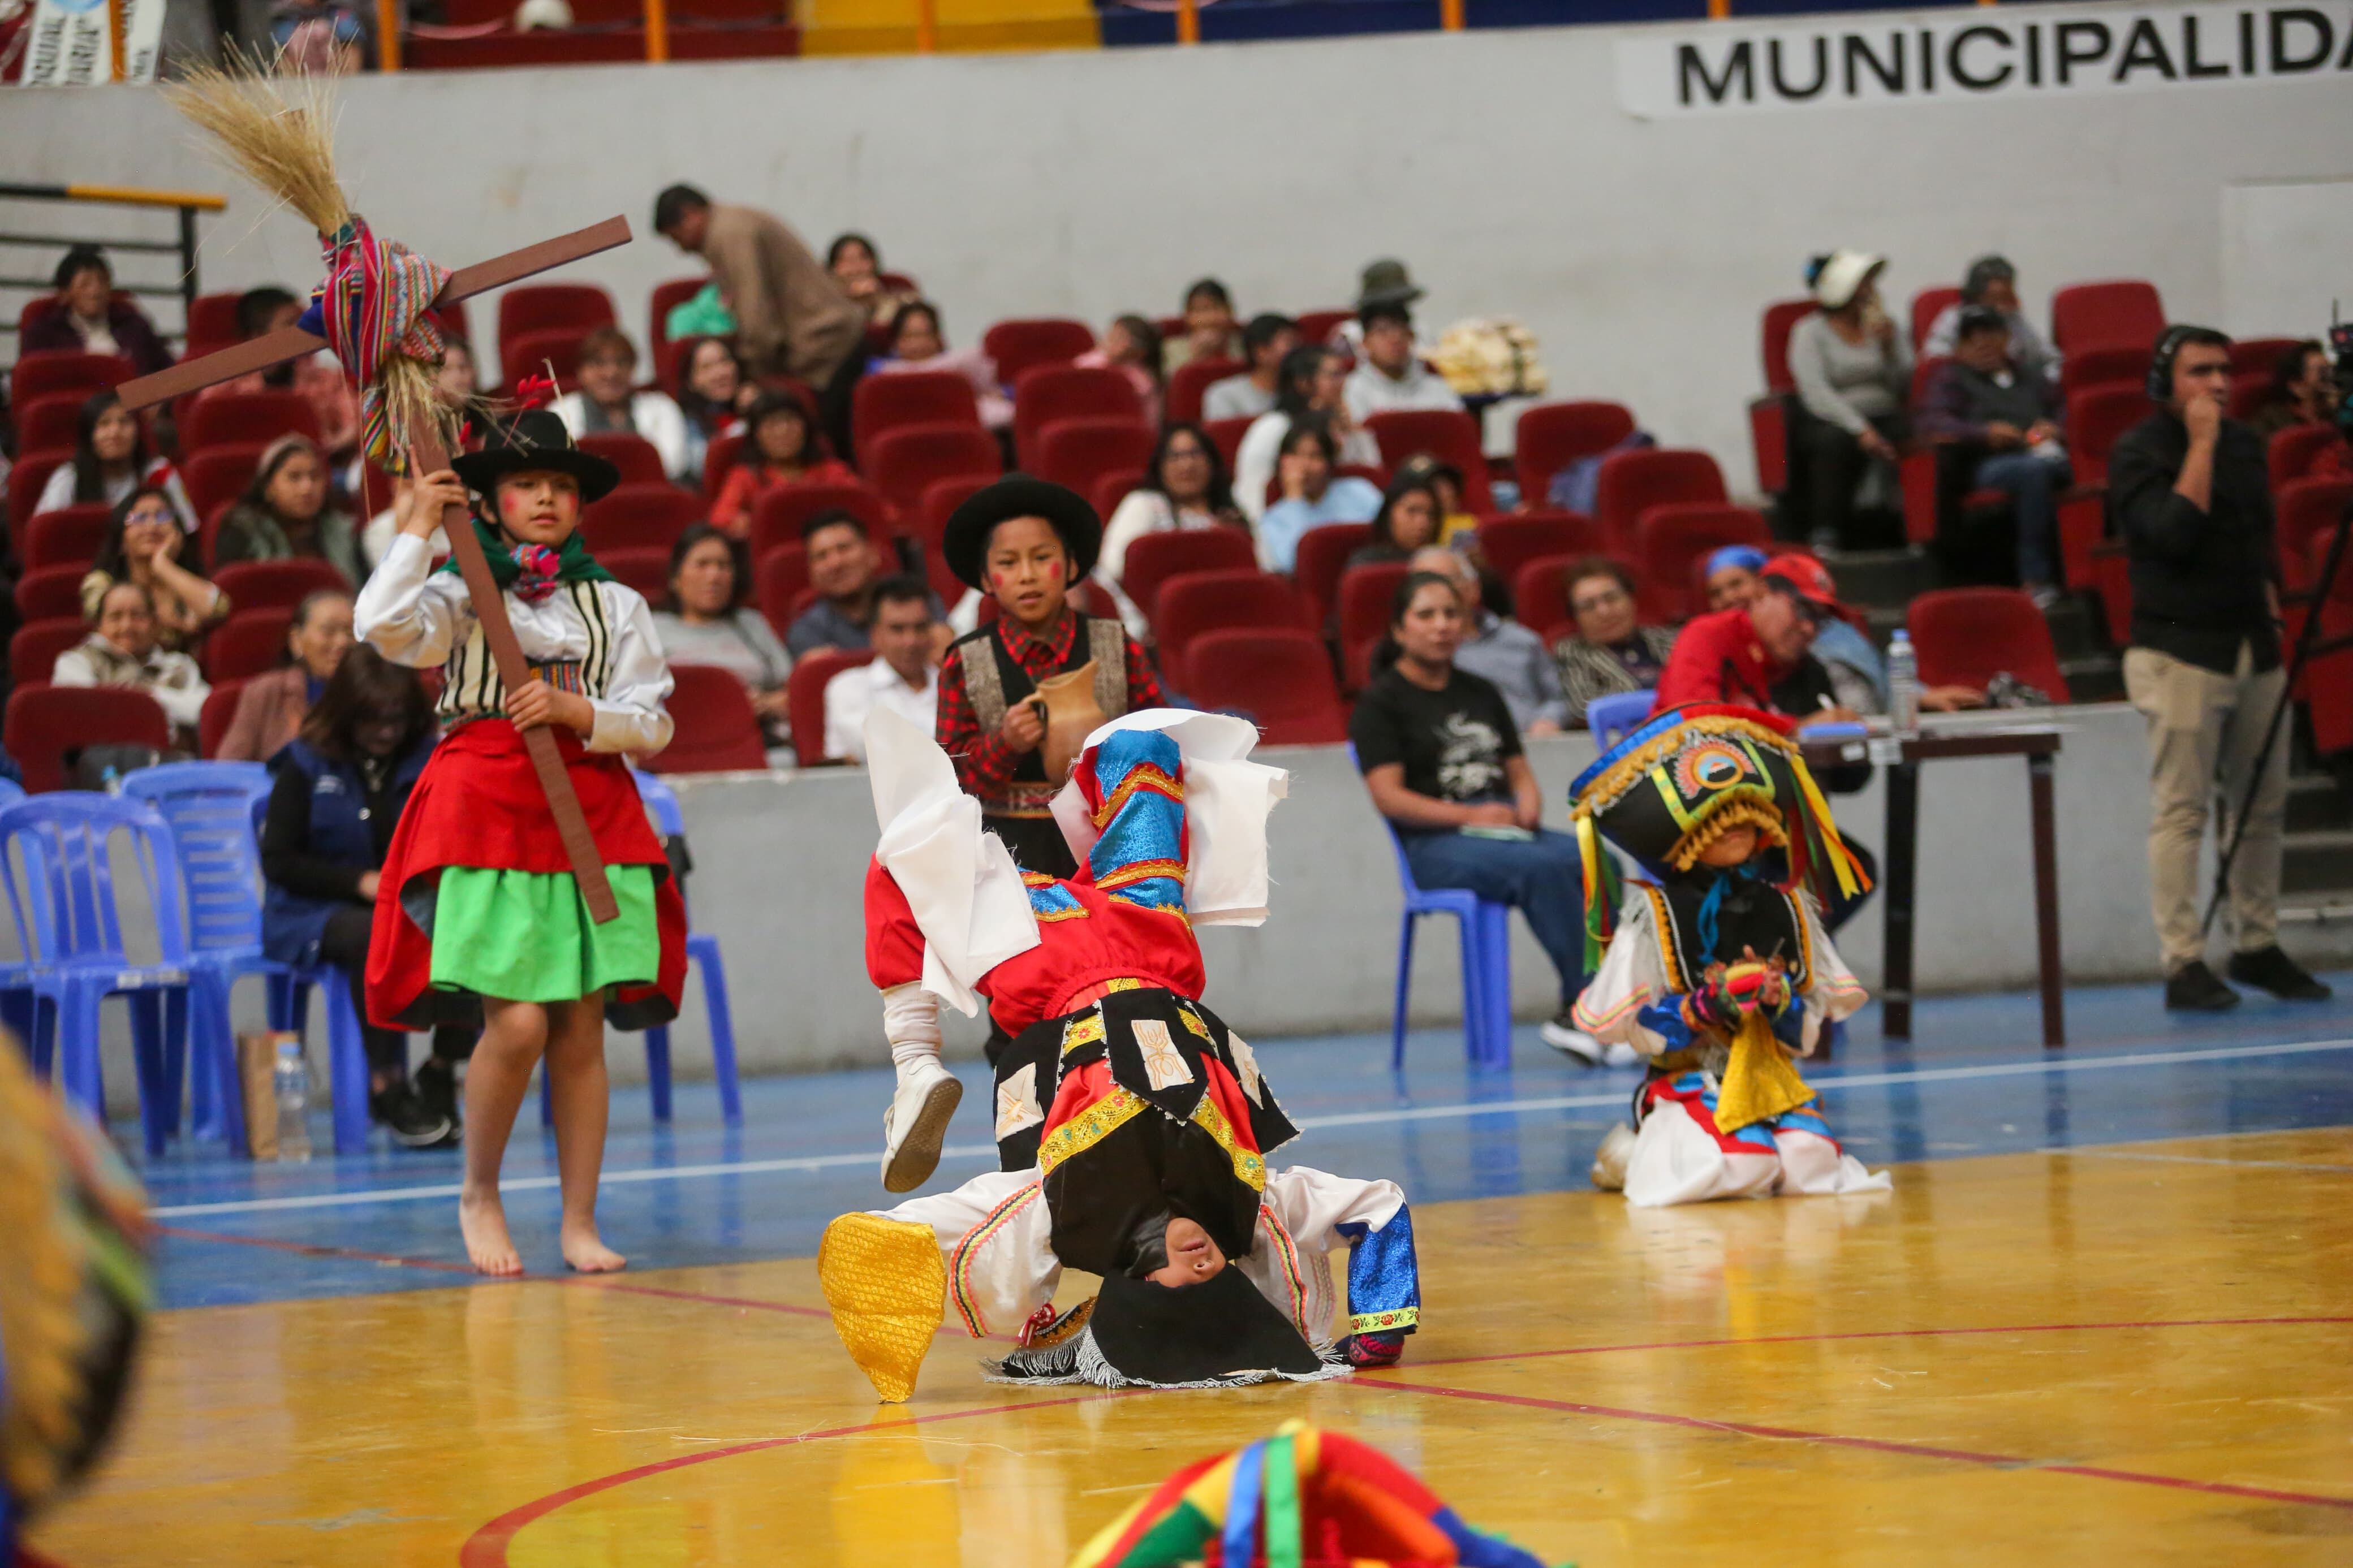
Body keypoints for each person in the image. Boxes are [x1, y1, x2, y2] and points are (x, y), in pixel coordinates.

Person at [825, 712, 1420, 1402]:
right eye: (1217, 1285)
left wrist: (894, 1298)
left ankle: (913, 1061)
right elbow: (1377, 1208)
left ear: (1137, 1288)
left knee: (907, 844)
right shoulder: (1248, 1208)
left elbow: (886, 1241)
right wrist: (1378, 1331)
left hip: (1041, 971)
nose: (1201, 1268)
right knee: (1140, 748)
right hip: (1152, 944)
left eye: (1177, 1292)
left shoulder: (1064, 1213)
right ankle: (1086, 791)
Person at [355, 408, 685, 1276]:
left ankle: (579, 1220)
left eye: (562, 487)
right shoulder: (461, 592)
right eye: (527, 485)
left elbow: (651, 724)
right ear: (492, 502)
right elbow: (380, 628)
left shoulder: (616, 603)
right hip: (485, 808)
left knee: (581, 1028)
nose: (547, 499)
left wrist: (580, 712)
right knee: (520, 1022)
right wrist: (419, 527)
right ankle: (480, 1191)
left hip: (592, 805)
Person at [1571, 706, 1886, 1206]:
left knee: (1811, 1159)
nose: (1736, 826)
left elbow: (1805, 1028)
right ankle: (1641, 1151)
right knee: (1743, 1162)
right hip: (1687, 1077)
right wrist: (1702, 1008)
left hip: (1771, 1078)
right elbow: (1614, 1024)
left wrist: (1778, 999)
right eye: (1719, 820)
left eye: (1745, 816)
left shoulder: (1787, 906)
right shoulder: (1655, 916)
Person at [2110, 326, 2332, 1012]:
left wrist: (2272, 619)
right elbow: (2171, 531)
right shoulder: (2138, 451)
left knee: (2261, 807)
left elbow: (2258, 538)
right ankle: (2182, 959)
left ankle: (2256, 942)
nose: (2216, 383)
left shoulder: (2245, 446)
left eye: (2223, 371)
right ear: (2163, 382)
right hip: (2178, 650)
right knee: (2182, 811)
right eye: (2198, 371)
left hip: (2250, 643)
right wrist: (2200, 443)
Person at [1350, 571, 1596, 1058]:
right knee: (1545, 867)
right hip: (1435, 845)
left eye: (1451, 614)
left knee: (1593, 855)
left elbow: (1518, 769)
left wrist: (1528, 801)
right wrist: (1470, 816)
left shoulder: (1482, 691)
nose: (1441, 625)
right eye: (1426, 615)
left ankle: (1615, 1002)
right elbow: (1390, 798)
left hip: (1503, 828)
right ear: (1399, 630)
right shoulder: (1380, 704)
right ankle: (1584, 1011)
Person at [259, 646, 468, 1148]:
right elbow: (279, 861)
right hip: (313, 911)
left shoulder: (428, 759)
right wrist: (360, 883)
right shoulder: (306, 763)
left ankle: (441, 1068)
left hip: (407, 900)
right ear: (346, 713)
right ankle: (387, 1083)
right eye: (373, 720)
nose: (386, 731)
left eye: (397, 719)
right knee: (374, 935)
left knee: (474, 929)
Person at [933, 476, 1167, 877]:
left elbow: (1160, 744)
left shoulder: (1117, 645)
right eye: (1008, 563)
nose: (1027, 575)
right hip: (1005, 860)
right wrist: (1004, 744)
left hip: (1111, 847)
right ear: (987, 579)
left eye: (1043, 557)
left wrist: (1113, 748)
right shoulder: (964, 661)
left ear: (1072, 566)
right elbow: (950, 779)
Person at [1650, 555, 1888, 930]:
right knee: (1780, 874)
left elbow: (1852, 780)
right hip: (1681, 811)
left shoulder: (1802, 669)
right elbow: (1691, 720)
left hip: (1761, 818)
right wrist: (1795, 727)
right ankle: (1767, 970)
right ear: (1761, 596)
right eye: (1802, 611)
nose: (1810, 629)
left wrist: (1847, 738)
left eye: (1820, 619)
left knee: (1851, 873)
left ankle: (1782, 969)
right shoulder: (1709, 634)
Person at [1916, 305, 2071, 608]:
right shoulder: (1951, 378)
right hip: (1987, 463)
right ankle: (2036, 579)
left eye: (1990, 334)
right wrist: (1983, 433)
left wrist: (2055, 427)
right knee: (2032, 472)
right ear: (1959, 347)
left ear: (2006, 338)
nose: (1983, 343)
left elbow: (2066, 410)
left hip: (2046, 452)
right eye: (1972, 338)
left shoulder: (2030, 375)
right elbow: (1935, 422)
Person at [651, 184, 864, 390]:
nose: (682, 249)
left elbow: (755, 313)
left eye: (676, 237)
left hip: (825, 344)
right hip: (827, 339)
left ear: (690, 215)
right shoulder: (733, 222)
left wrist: (755, 378)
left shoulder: (729, 235)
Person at [1787, 249, 1912, 550]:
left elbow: (1902, 383)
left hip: (1885, 410)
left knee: (1916, 435)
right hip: (1834, 417)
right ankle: (1827, 530)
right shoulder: (1809, 331)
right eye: (1863, 285)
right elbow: (1815, 390)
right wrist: (1860, 429)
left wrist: (1890, 347)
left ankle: (1909, 528)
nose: (1870, 292)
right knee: (1833, 442)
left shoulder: (1883, 327)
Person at [651, 525, 792, 756]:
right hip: (679, 745)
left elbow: (794, 692)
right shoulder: (653, 628)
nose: (714, 576)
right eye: (702, 565)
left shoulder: (751, 624)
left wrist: (764, 704)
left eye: (723, 566)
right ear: (676, 578)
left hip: (759, 742)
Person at [1096, 422, 1248, 636]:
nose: (1186, 465)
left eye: (1195, 454)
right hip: (1152, 629)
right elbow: (1110, 569)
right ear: (1160, 466)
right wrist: (1135, 628)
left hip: (1224, 623)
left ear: (1212, 462)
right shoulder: (1145, 504)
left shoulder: (1234, 515)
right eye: (1174, 456)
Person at [191, 286, 363, 460]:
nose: (305, 329)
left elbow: (356, 424)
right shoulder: (227, 388)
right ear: (258, 335)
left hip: (320, 469)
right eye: (291, 322)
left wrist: (328, 448)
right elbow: (207, 433)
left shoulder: (329, 379)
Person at [1409, 546, 1566, 734]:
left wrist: (1549, 720)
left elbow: (1559, 698)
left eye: (1445, 581)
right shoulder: (1411, 656)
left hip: (1535, 747)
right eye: (1425, 584)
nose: (1437, 593)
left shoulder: (1522, 641)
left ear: (1473, 588)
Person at [1233, 344, 1382, 528]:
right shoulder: (1272, 427)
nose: (1343, 383)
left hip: (1342, 518)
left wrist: (1354, 434)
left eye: (1344, 374)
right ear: (1304, 383)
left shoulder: (1343, 425)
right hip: (1285, 526)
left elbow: (1371, 473)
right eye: (1334, 376)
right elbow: (1252, 493)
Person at [53, 581, 209, 744]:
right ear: (99, 625)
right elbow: (86, 714)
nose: (126, 626)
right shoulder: (75, 662)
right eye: (115, 617)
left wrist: (143, 696)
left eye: (137, 616)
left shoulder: (179, 665)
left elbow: (203, 711)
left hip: (172, 759)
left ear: (155, 624)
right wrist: (164, 703)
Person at [79, 486, 227, 654]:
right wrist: (180, 625)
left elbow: (218, 609)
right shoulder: (101, 583)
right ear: (121, 539)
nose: (152, 526)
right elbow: (117, 632)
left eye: (162, 516)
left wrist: (162, 565)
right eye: (139, 518)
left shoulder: (184, 582)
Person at [216, 588, 355, 762]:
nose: (342, 642)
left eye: (352, 633)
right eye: (329, 631)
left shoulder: (374, 691)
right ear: (296, 640)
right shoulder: (265, 692)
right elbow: (229, 771)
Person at [214, 433, 368, 586]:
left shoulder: (345, 532)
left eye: (315, 477)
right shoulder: (242, 530)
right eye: (294, 477)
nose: (307, 488)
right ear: (268, 488)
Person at [32, 391, 197, 533]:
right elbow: (45, 536)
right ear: (89, 436)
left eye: (124, 422)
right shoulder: (69, 478)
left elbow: (187, 529)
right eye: (104, 424)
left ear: (138, 432)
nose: (115, 432)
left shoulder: (159, 472)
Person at [552, 328, 693, 485]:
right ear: (581, 371)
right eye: (599, 363)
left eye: (621, 363)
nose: (611, 373)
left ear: (633, 368)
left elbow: (673, 465)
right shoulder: (560, 411)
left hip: (649, 495)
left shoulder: (662, 407)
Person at [820, 576, 938, 763]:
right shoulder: (848, 687)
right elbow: (879, 752)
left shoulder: (956, 685)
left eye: (920, 628)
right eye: (897, 629)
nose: (911, 641)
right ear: (875, 635)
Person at [1552, 556, 1677, 728]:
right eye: (1588, 606)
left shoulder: (1671, 640)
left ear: (1631, 600)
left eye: (1611, 599)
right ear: (1575, 618)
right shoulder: (1572, 652)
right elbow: (1583, 707)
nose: (1604, 612)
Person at [707, 391, 854, 537]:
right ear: (756, 435)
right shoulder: (745, 476)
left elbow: (861, 505)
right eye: (771, 424)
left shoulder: (832, 471)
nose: (783, 431)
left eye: (790, 421)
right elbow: (719, 520)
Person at [1254, 421, 1384, 574]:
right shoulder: (1274, 518)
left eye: (1315, 456)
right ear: (1282, 463)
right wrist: (1294, 502)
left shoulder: (1360, 491)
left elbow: (1390, 535)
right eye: (1295, 455)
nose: (1304, 466)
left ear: (1329, 462)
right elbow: (1294, 564)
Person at [20, 246, 171, 375]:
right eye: (85, 285)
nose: (96, 292)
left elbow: (167, 370)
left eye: (103, 282)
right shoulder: (44, 333)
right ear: (64, 294)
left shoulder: (134, 325)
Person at [866, 300, 1012, 430]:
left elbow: (996, 392)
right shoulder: (881, 373)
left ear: (938, 338)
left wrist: (1002, 394)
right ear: (896, 341)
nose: (917, 344)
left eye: (924, 335)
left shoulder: (962, 362)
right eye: (909, 336)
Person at [1920, 254, 2056, 381]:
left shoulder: (2014, 318)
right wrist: (1962, 359)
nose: (2002, 306)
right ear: (1976, 296)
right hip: (1968, 387)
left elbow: (2048, 358)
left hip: (2014, 389)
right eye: (1995, 299)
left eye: (2007, 297)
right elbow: (1932, 358)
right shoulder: (1955, 318)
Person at [786, 508, 886, 656]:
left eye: (844, 549)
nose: (835, 564)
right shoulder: (807, 633)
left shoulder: (919, 606)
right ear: (811, 573)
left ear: (873, 555)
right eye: (821, 556)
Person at [1343, 300, 1464, 420]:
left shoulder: (1439, 389)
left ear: (1411, 337)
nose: (1395, 339)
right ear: (1365, 343)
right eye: (1382, 331)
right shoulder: (1352, 391)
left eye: (1401, 330)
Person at [671, 335, 755, 487]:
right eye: (707, 367)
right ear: (691, 382)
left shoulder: (756, 402)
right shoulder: (685, 420)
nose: (721, 373)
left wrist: (757, 412)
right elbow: (702, 467)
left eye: (725, 361)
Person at [1202, 312, 1299, 423]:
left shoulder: (1302, 392)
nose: (1299, 350)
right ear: (1262, 351)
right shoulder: (1224, 395)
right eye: (1291, 343)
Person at [1341, 472, 1443, 572]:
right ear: (1389, 514)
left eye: (1431, 514)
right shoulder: (1367, 566)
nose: (1423, 523)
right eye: (1412, 511)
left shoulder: (1443, 565)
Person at [1075, 313, 1164, 426]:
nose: (1111, 340)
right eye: (1112, 334)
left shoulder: (1143, 380)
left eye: (1121, 337)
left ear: (1140, 351)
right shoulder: (1094, 360)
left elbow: (1149, 423)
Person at [825, 231, 919, 334]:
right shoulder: (823, 297)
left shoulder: (897, 286)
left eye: (863, 258)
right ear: (832, 269)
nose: (856, 268)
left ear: (874, 262)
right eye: (846, 260)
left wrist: (878, 299)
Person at [2246, 339, 2338, 440]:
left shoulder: (2339, 411)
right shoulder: (2272, 420)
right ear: (2297, 386)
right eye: (2322, 372)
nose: (2331, 378)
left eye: (2332, 369)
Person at [1163, 277, 1241, 373]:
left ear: (1230, 311)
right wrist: (1199, 356)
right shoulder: (1172, 349)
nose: (1208, 319)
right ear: (1187, 316)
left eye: (1215, 308)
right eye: (1199, 311)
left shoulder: (1244, 344)